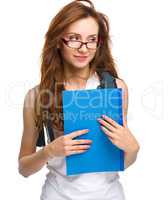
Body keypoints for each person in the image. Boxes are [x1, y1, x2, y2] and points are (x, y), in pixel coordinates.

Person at [18, 0, 140, 199]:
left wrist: (133, 149)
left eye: (92, 39)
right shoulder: (37, 96)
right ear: (58, 40)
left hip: (109, 195)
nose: (84, 48)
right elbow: (24, 169)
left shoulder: (115, 88)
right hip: (57, 195)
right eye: (74, 38)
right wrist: (49, 151)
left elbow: (119, 161)